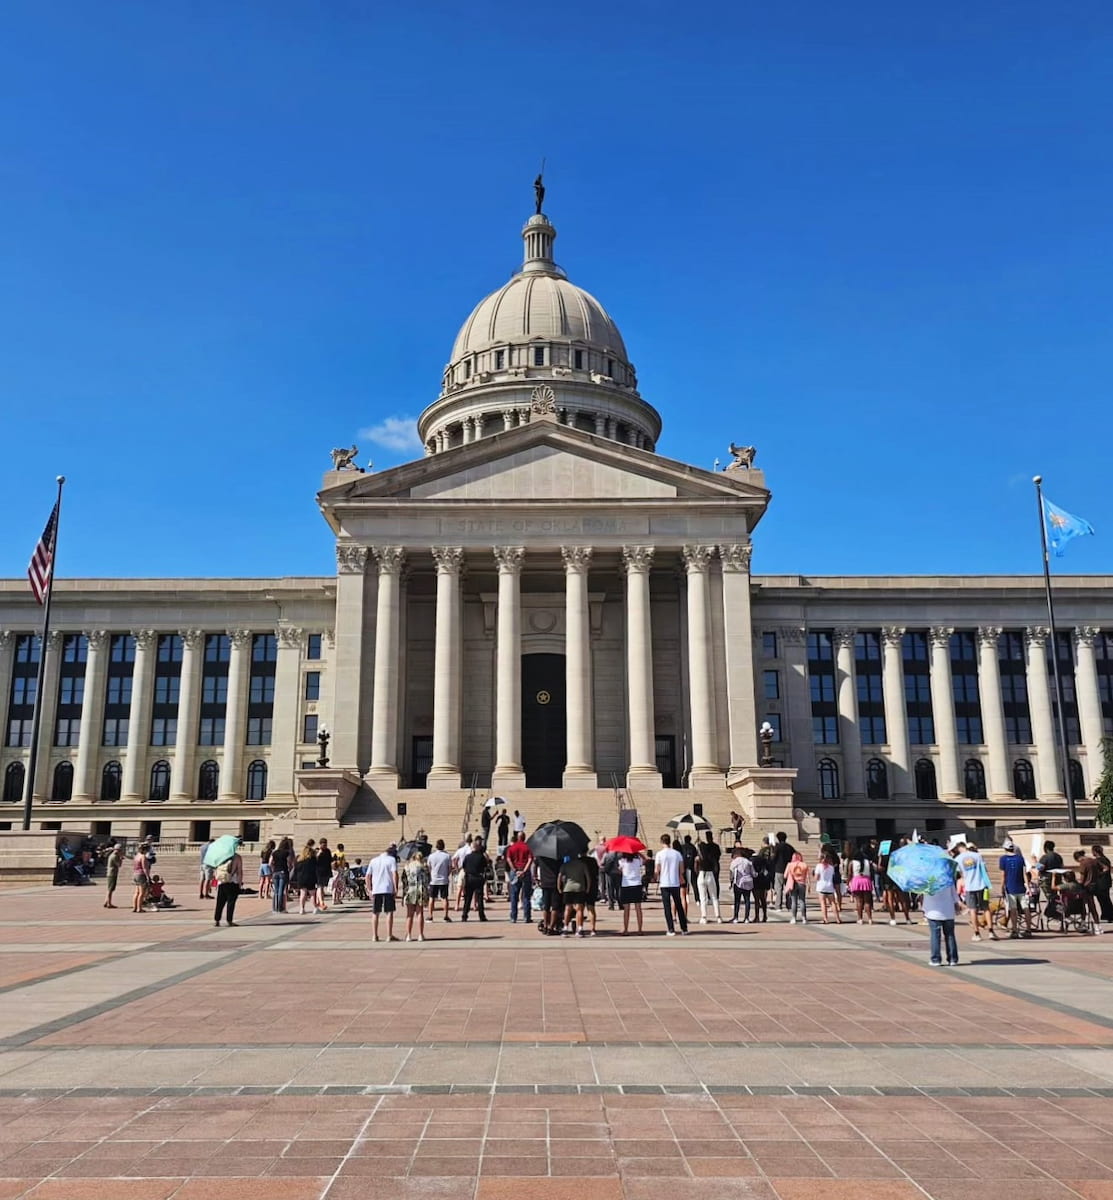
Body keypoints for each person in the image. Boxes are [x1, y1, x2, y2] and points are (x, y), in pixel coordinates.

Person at [923, 857, 961, 967]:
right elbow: (954, 893)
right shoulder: (948, 877)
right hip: (947, 910)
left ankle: (936, 959)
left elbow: (926, 893)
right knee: (950, 935)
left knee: (935, 935)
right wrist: (957, 903)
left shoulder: (929, 878)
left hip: (933, 910)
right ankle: (953, 959)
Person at [955, 842, 996, 942]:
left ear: (958, 849)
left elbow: (959, 873)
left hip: (969, 887)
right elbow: (984, 870)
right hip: (981, 885)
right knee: (986, 908)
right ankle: (991, 931)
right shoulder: (977, 856)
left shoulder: (958, 859)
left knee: (972, 910)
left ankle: (977, 933)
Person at [655, 834, 688, 936]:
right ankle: (684, 928)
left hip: (664, 883)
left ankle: (671, 929)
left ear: (661, 842)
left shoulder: (659, 854)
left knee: (667, 907)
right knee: (678, 905)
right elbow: (682, 869)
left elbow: (657, 869)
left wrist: (656, 876)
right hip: (675, 882)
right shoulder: (677, 854)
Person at [559, 852, 596, 937]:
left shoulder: (565, 865)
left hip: (568, 888)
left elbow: (560, 876)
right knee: (579, 909)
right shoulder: (582, 864)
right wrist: (588, 888)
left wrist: (559, 887)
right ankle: (579, 929)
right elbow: (587, 876)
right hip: (579, 888)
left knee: (567, 909)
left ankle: (565, 928)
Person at [998, 841, 1031, 938]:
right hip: (1021, 887)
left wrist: (1002, 887)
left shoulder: (1003, 859)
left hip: (1010, 887)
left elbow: (1003, 875)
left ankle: (1015, 929)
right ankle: (1028, 929)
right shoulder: (1020, 859)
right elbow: (1024, 873)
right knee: (1026, 908)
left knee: (1013, 909)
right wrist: (1027, 886)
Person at [369, 843, 399, 943]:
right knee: (389, 912)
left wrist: (369, 889)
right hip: (387, 888)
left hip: (376, 889)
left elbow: (367, 876)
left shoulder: (373, 860)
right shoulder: (391, 860)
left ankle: (374, 935)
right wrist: (396, 888)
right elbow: (395, 874)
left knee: (375, 912)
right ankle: (389, 935)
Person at [402, 851, 430, 942]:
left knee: (409, 914)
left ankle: (408, 935)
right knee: (420, 913)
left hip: (410, 890)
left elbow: (404, 881)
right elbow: (428, 880)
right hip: (421, 890)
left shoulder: (407, 867)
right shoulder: (424, 867)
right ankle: (420, 935)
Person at [506, 831, 533, 924]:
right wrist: (524, 870)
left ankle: (513, 917)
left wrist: (514, 870)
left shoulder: (512, 848)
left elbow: (508, 859)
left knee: (514, 895)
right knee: (526, 895)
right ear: (524, 838)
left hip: (515, 871)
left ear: (517, 838)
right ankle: (527, 917)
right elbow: (530, 859)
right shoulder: (527, 847)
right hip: (525, 872)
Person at [696, 831, 723, 924]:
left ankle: (704, 916)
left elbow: (696, 865)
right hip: (711, 873)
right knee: (714, 897)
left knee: (703, 898)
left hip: (701, 874)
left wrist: (699, 846)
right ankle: (718, 916)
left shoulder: (700, 857)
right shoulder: (714, 848)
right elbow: (718, 856)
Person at [461, 837, 490, 921]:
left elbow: (464, 867)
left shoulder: (467, 857)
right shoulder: (481, 857)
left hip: (469, 878)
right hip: (478, 877)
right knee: (480, 898)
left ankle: (464, 915)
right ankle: (481, 916)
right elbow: (485, 866)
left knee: (468, 898)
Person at [213, 844, 243, 927]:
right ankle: (229, 920)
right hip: (232, 882)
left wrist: (216, 882)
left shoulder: (221, 857)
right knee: (231, 903)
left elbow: (216, 870)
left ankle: (217, 920)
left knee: (220, 902)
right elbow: (240, 872)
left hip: (222, 882)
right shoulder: (237, 857)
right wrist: (240, 884)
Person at [426, 839, 453, 922]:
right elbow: (449, 868)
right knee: (444, 898)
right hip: (443, 879)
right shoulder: (447, 856)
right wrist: (446, 874)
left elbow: (429, 867)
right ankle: (446, 915)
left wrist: (432, 874)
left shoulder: (431, 856)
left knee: (432, 898)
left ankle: (430, 915)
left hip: (434, 880)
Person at [619, 852, 645, 934]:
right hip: (637, 884)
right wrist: (639, 853)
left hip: (626, 885)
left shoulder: (622, 861)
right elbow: (645, 860)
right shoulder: (638, 860)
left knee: (626, 909)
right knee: (638, 908)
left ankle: (626, 929)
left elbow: (619, 869)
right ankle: (640, 929)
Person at [813, 849, 842, 924]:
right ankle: (837, 918)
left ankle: (825, 918)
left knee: (823, 903)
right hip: (829, 886)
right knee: (833, 903)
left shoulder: (819, 866)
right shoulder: (831, 867)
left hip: (821, 886)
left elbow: (816, 877)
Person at [535, 854, 561, 934]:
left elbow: (535, 865)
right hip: (555, 883)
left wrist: (535, 877)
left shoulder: (541, 856)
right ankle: (551, 928)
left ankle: (546, 926)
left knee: (546, 906)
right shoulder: (557, 856)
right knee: (555, 907)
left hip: (544, 882)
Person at [729, 845, 755, 923]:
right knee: (747, 900)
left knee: (737, 900)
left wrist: (731, 882)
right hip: (748, 882)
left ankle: (736, 917)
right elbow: (753, 873)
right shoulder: (748, 861)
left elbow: (731, 872)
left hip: (738, 882)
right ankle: (746, 918)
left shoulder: (735, 861)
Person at [770, 831, 796, 910]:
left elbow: (773, 858)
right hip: (789, 870)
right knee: (788, 887)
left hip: (779, 869)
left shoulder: (777, 847)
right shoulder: (790, 847)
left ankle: (778, 905)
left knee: (779, 888)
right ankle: (789, 904)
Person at [848, 853, 875, 924]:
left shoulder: (852, 862)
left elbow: (850, 874)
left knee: (859, 901)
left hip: (856, 881)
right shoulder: (868, 862)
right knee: (867, 901)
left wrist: (848, 882)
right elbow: (872, 872)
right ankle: (870, 918)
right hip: (866, 880)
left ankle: (860, 919)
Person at [294, 841, 319, 915]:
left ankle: (302, 909)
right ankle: (315, 908)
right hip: (310, 878)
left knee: (303, 893)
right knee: (312, 894)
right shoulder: (312, 859)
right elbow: (315, 868)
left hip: (301, 878)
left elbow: (296, 869)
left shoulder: (299, 860)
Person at [785, 852, 809, 924]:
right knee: (802, 901)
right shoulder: (804, 865)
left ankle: (793, 918)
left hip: (793, 884)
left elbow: (785, 875)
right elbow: (807, 876)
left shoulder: (790, 865)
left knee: (794, 901)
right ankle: (804, 918)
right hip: (802, 883)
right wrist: (809, 884)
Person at [1091, 846, 1113, 923]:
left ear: (1095, 852)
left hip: (1101, 883)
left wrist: (1099, 874)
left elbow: (1106, 869)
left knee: (1104, 900)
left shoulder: (1099, 860)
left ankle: (1109, 915)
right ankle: (1106, 915)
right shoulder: (1105, 859)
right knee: (1105, 900)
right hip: (1105, 882)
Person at [270, 838, 292, 913]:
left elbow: (270, 862)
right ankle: (280, 908)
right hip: (283, 872)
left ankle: (274, 908)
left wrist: (273, 869)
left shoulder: (274, 852)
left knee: (275, 891)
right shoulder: (286, 853)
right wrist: (289, 868)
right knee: (281, 891)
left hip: (275, 872)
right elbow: (289, 863)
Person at [750, 846, 771, 922]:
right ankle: (765, 916)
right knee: (763, 899)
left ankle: (757, 916)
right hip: (763, 881)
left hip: (755, 881)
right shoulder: (764, 860)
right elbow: (769, 870)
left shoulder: (751, 860)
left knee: (756, 900)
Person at [103, 842, 124, 909]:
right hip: (112, 873)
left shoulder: (113, 855)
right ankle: (109, 903)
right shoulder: (114, 856)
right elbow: (119, 865)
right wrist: (121, 858)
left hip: (111, 873)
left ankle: (106, 902)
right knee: (110, 889)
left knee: (110, 888)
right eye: (120, 850)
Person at [132, 843, 151, 913]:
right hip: (141, 875)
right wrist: (148, 876)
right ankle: (139, 908)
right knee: (142, 893)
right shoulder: (143, 857)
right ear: (145, 850)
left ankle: (134, 907)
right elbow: (144, 868)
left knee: (136, 892)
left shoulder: (136, 856)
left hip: (135, 874)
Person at [314, 838, 332, 912]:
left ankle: (318, 902)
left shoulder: (328, 851)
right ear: (320, 844)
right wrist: (319, 853)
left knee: (321, 887)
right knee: (320, 887)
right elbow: (314, 860)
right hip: (318, 872)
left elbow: (330, 860)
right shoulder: (317, 851)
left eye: (325, 844)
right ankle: (322, 903)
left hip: (326, 871)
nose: (324, 845)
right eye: (323, 844)